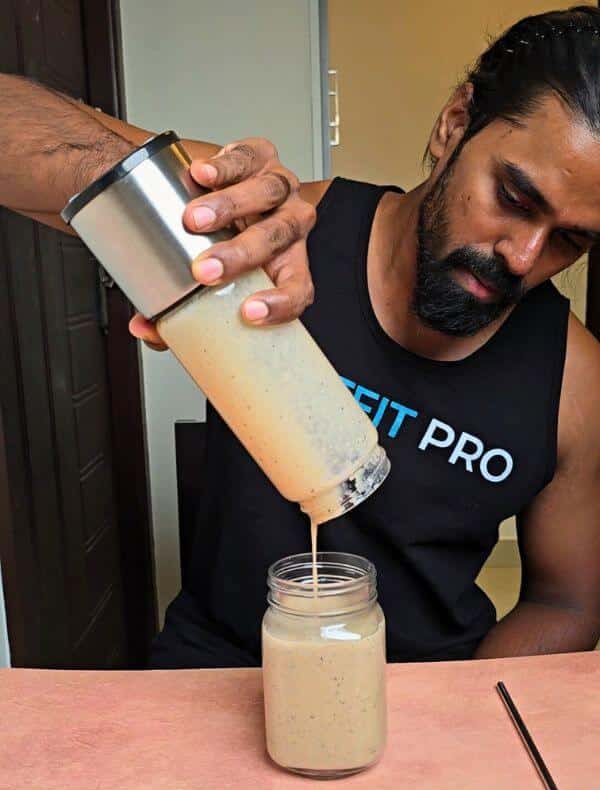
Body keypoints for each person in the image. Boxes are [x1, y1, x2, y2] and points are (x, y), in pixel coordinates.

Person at [1, 6, 599, 666]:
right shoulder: (271, 234)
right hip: (217, 668)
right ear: (454, 123)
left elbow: (566, 604)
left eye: (570, 240)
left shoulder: (576, 382)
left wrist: (461, 709)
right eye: (514, 198)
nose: (523, 257)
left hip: (425, 687)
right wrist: (171, 207)